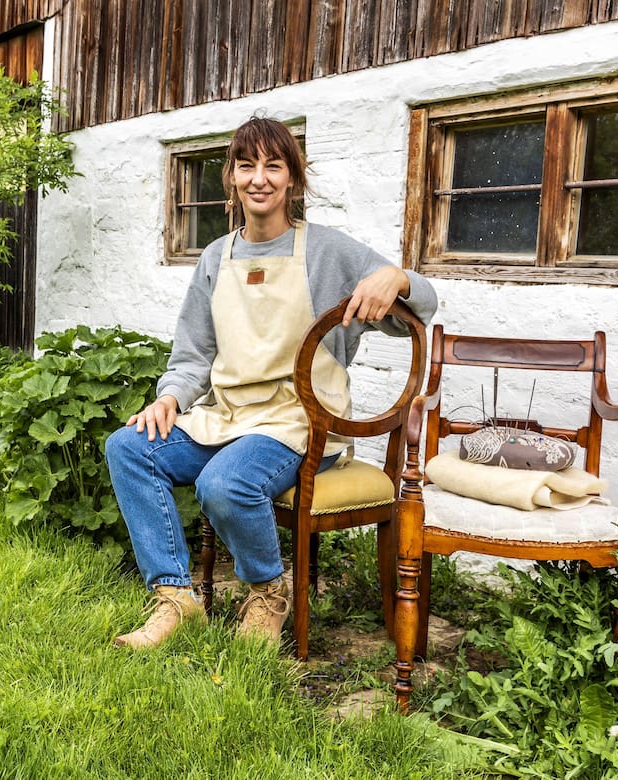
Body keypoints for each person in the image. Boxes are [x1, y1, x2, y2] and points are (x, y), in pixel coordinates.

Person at [105, 116, 438, 649]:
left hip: (299, 423)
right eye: (246, 165)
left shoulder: (328, 252)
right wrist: (169, 397)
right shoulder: (215, 257)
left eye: (273, 166)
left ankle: (267, 592)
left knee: (223, 483)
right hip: (228, 417)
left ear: (293, 180)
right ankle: (175, 597)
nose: (259, 178)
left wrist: (397, 277)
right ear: (232, 178)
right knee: (128, 447)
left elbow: (414, 313)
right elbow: (193, 356)